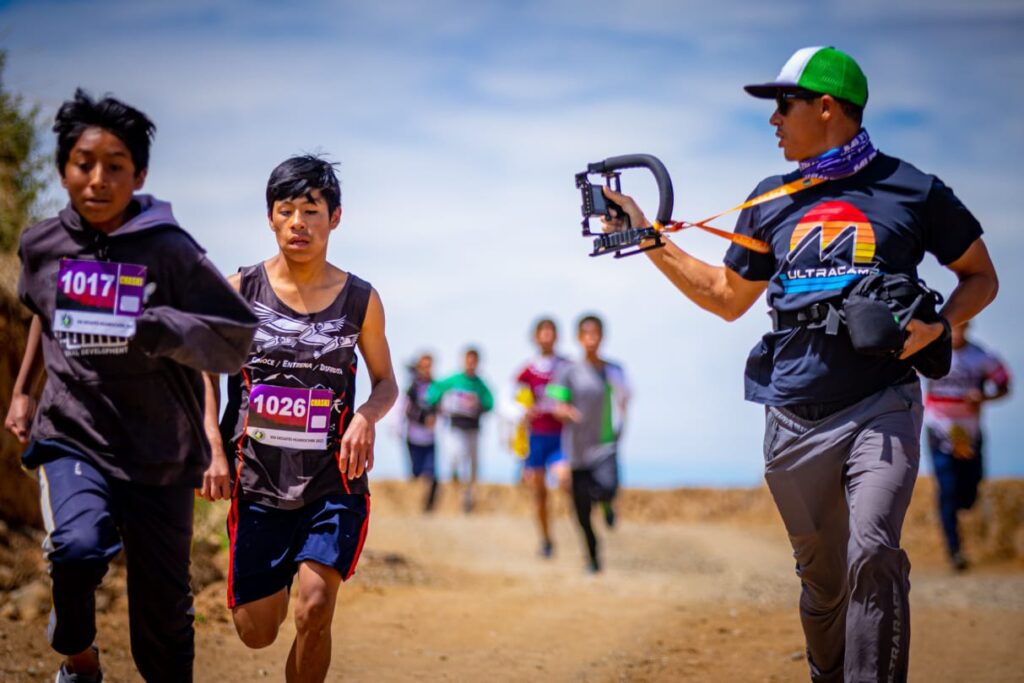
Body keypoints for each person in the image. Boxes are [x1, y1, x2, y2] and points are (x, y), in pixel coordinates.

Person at [602, 46, 998, 681]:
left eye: (782, 106)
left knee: (873, 549)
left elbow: (980, 277)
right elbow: (727, 298)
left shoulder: (915, 191)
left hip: (882, 402)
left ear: (826, 108)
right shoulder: (772, 197)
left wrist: (939, 326)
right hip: (792, 413)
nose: (773, 121)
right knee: (822, 585)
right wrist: (649, 236)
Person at [3, 89, 257, 683]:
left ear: (138, 174)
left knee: (163, 619)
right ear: (63, 169)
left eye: (115, 166)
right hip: (73, 433)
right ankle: (79, 657)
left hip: (160, 453)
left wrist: (154, 323)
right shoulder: (41, 246)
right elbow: (46, 311)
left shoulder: (169, 250)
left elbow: (236, 336)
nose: (97, 179)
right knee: (76, 549)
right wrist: (23, 390)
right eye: (83, 163)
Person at [200, 155, 397, 683]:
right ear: (270, 218)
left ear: (335, 217)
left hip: (334, 481)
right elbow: (204, 369)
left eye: (310, 210)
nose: (297, 223)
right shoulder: (239, 289)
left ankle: (308, 575)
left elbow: (386, 383)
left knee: (314, 607)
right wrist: (213, 450)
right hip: (258, 482)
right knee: (256, 630)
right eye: (285, 210)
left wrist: (366, 418)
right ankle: (277, 574)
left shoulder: (361, 299)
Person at [923, 320, 1010, 571]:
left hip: (970, 434)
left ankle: (960, 518)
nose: (958, 333)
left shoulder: (982, 357)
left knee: (970, 492)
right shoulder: (932, 354)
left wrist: (984, 397)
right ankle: (954, 551)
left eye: (962, 328)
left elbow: (1004, 384)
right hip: (939, 430)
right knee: (947, 489)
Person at [547, 314, 630, 573]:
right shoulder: (568, 371)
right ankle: (593, 557)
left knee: (607, 488)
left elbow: (625, 395)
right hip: (577, 449)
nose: (592, 339)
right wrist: (563, 410)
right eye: (587, 334)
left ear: (602, 337)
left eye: (596, 334)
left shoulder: (612, 370)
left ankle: (607, 504)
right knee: (581, 511)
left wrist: (621, 413)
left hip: (604, 444)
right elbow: (555, 401)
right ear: (580, 338)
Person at [514, 317, 570, 558]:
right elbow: (510, 399)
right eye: (542, 332)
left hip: (561, 437)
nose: (546, 336)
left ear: (556, 336)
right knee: (539, 495)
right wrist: (521, 411)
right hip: (536, 438)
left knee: (565, 480)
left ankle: (578, 523)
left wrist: (566, 408)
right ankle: (546, 539)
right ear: (535, 337)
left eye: (551, 332)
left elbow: (577, 394)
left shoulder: (567, 366)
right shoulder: (528, 369)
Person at [427, 347, 493, 512]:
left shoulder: (480, 384)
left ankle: (468, 497)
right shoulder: (453, 380)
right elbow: (433, 391)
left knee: (473, 464)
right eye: (468, 360)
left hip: (474, 428)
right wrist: (436, 406)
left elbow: (490, 402)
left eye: (474, 361)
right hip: (456, 426)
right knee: (457, 456)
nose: (471, 364)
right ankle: (455, 479)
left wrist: (478, 405)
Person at [404, 352, 440, 512]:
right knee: (416, 473)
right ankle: (411, 508)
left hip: (430, 438)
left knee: (432, 474)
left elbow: (442, 407)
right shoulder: (412, 388)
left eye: (429, 366)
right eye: (423, 366)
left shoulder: (436, 387)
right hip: (413, 436)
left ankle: (429, 508)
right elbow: (405, 409)